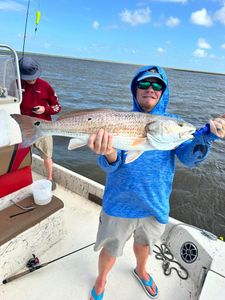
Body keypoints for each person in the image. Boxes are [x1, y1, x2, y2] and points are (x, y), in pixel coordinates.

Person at [87, 65, 225, 300]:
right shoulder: (120, 120)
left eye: (157, 85)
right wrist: (109, 153)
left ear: (163, 91)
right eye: (144, 84)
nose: (150, 89)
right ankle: (101, 280)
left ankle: (141, 270)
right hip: (119, 203)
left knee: (145, 246)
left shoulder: (174, 124)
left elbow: (189, 158)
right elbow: (111, 164)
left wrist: (209, 135)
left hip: (155, 205)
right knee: (110, 249)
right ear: (135, 88)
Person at [19, 56, 61, 189]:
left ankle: (49, 179)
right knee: (22, 155)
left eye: (33, 76)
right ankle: (22, 178)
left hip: (44, 127)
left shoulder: (45, 86)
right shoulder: (17, 84)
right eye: (27, 77)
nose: (31, 79)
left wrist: (45, 109)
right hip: (25, 127)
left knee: (47, 155)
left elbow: (57, 107)